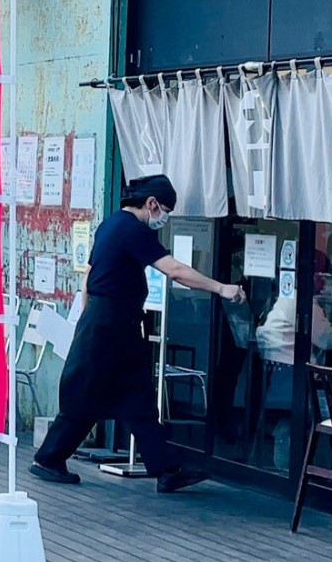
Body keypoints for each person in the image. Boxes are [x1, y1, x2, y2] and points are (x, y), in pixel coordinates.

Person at [31, 174, 245, 494]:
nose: (165, 218)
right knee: (85, 392)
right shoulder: (134, 229)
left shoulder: (111, 224)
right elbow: (174, 270)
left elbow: (88, 278)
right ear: (151, 204)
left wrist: (86, 319)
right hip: (110, 324)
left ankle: (166, 469)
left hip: (110, 322)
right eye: (165, 211)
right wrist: (221, 288)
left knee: (137, 398)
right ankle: (48, 459)